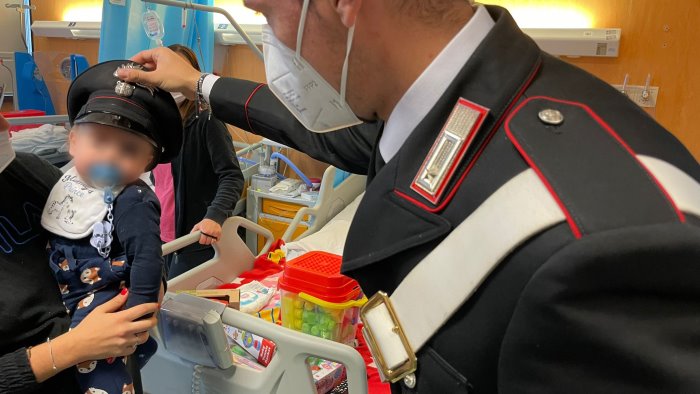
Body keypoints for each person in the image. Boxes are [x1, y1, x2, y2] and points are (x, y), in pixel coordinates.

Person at [119, 1, 700, 393]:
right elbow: (333, 136)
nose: (272, 39)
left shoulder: (608, 243)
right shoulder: (451, 110)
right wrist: (199, 83)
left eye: (269, 14)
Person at [40, 60, 183, 393]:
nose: (110, 156)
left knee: (97, 370)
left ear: (147, 161)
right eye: (99, 140)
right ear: (73, 141)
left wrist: (136, 317)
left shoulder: (133, 199)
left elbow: (148, 257)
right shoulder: (67, 180)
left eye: (128, 150)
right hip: (65, 290)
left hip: (100, 294)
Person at [0, 114, 159, 393]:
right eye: (100, 141)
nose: (5, 124)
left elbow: (131, 248)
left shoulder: (33, 174)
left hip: (114, 352)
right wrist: (73, 348)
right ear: (73, 140)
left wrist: (144, 292)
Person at [153, 44, 244, 279]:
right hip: (161, 233)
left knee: (181, 304)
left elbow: (232, 176)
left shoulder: (206, 120)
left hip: (194, 236)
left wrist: (214, 216)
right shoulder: (156, 124)